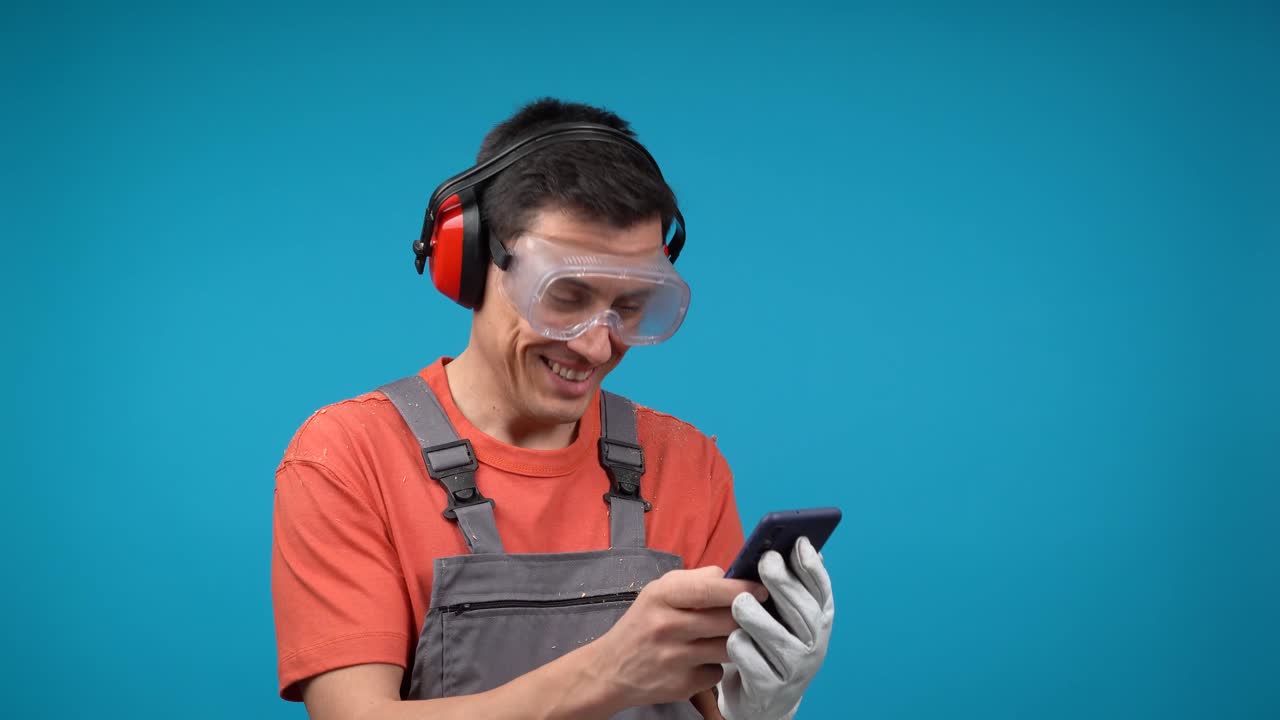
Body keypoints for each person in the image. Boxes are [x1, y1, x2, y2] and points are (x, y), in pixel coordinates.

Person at [271, 98, 835, 720]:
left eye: (631, 306)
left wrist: (759, 709)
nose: (597, 346)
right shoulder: (349, 457)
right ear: (471, 260)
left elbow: (712, 705)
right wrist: (607, 672)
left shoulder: (687, 463)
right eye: (565, 296)